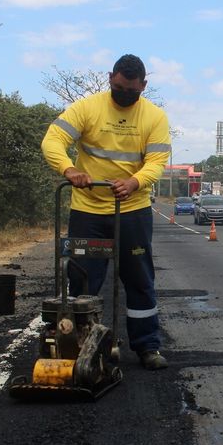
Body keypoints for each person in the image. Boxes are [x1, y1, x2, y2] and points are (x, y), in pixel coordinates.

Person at [41, 54, 170, 370]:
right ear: (110, 78)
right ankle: (77, 343)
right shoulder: (88, 108)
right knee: (83, 280)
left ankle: (147, 347)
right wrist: (69, 170)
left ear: (143, 86)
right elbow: (52, 140)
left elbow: (156, 162)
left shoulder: (154, 117)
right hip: (88, 211)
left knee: (139, 279)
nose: (124, 95)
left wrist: (135, 181)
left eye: (131, 91)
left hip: (132, 210)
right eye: (119, 87)